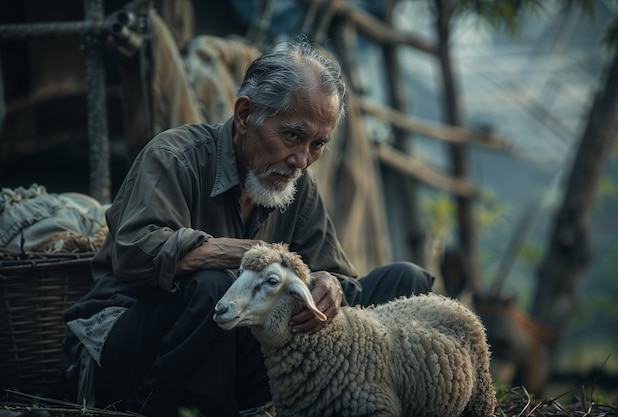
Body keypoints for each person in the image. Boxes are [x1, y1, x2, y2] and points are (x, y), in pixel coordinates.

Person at [60, 39, 434, 417]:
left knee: (404, 281)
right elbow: (134, 253)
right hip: (127, 352)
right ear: (244, 115)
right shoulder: (174, 156)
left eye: (318, 144)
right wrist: (238, 253)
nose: (301, 160)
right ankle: (155, 410)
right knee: (212, 286)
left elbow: (337, 274)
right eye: (292, 136)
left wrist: (329, 286)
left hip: (236, 356)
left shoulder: (298, 186)